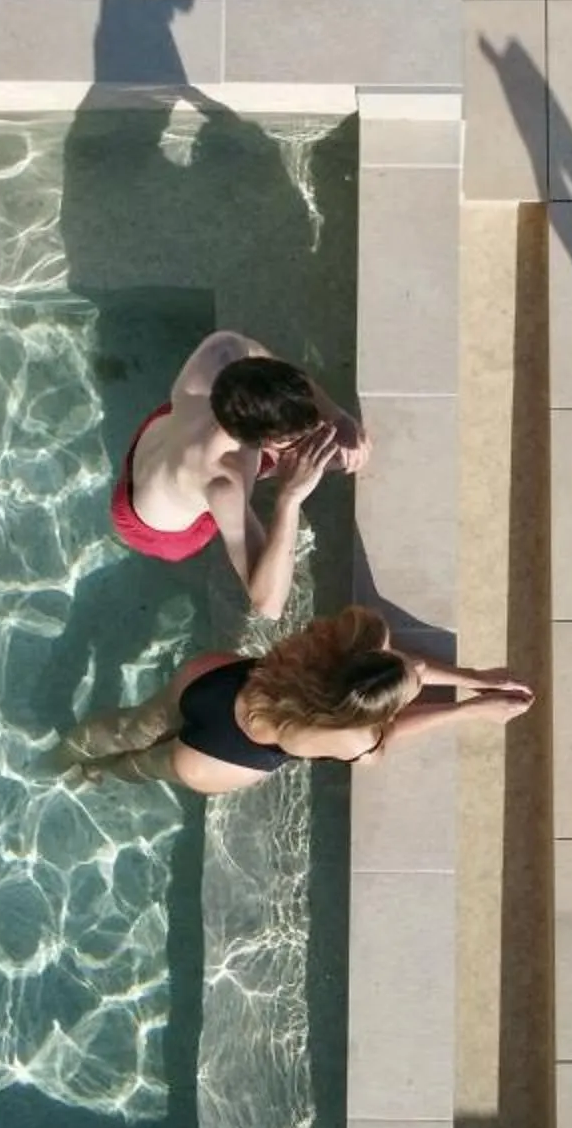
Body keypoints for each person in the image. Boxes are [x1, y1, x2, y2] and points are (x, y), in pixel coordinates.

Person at [56, 606, 532, 795]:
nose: (422, 670)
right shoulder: (353, 734)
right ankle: (98, 773)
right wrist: (466, 707)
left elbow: (388, 669)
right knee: (145, 765)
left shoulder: (345, 640)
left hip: (217, 681)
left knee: (133, 726)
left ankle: (66, 754)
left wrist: (473, 677)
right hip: (217, 759)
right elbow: (381, 739)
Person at [114, 330, 371, 620]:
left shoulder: (221, 351)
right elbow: (268, 605)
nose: (318, 431)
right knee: (330, 459)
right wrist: (289, 498)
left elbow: (271, 363)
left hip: (159, 438)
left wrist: (336, 415)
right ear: (262, 443)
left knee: (336, 455)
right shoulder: (223, 482)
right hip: (153, 525)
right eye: (296, 441)